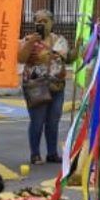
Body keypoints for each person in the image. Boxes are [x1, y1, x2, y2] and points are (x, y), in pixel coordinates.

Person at [18, 9, 71, 165]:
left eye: (45, 21)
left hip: (57, 85)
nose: (41, 24)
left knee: (53, 121)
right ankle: (35, 154)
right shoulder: (28, 39)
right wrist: (30, 43)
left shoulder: (60, 40)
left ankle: (52, 153)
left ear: (51, 23)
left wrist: (76, 50)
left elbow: (68, 59)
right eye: (38, 21)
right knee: (37, 120)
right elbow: (21, 59)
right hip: (36, 86)